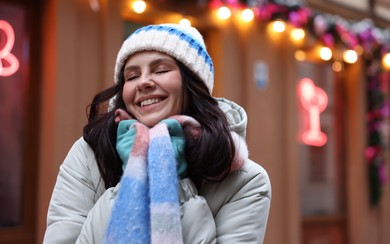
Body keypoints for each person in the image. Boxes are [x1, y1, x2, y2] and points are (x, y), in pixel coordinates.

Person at [43, 23, 271, 243]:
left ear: (193, 84)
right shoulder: (88, 154)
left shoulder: (246, 181)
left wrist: (175, 182)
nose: (143, 82)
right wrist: (135, 172)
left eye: (160, 70)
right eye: (132, 76)